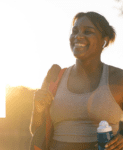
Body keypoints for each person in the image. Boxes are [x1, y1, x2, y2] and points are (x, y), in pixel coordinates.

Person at [30, 11, 123, 150]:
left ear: (104, 40)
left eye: (87, 31)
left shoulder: (118, 77)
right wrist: (37, 109)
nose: (78, 36)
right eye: (75, 31)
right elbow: (35, 130)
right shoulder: (55, 77)